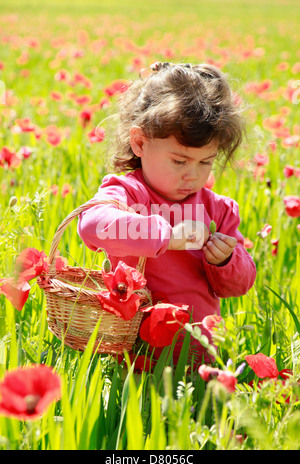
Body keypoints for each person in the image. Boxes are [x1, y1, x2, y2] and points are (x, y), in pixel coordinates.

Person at [77, 62, 256, 364]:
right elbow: (91, 225)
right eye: (179, 161)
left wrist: (225, 260)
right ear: (140, 143)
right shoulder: (128, 193)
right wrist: (165, 236)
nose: (193, 176)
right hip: (132, 350)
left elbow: (239, 284)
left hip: (195, 352)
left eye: (205, 163)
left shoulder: (218, 210)